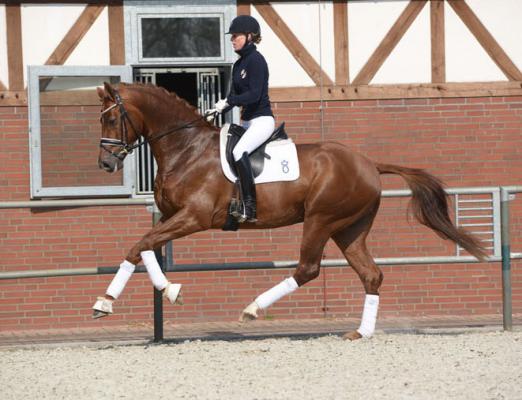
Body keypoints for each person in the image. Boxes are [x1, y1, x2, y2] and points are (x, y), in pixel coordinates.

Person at [212, 15, 275, 223]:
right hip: (247, 122)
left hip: (262, 120)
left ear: (250, 37)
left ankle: (250, 207)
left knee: (239, 151)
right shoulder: (238, 65)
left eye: (236, 36)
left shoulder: (257, 61)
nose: (232, 40)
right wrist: (220, 107)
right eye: (232, 37)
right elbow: (234, 96)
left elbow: (254, 95)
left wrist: (229, 100)